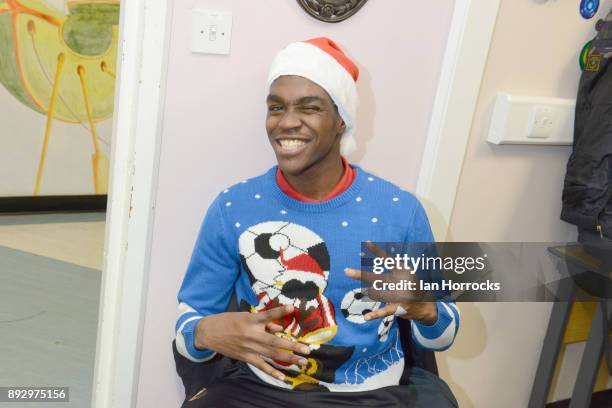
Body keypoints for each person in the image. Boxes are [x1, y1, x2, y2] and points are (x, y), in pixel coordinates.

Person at [175, 37, 460, 408]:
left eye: (309, 108)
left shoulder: (399, 210)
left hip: (377, 394)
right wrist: (205, 332)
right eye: (276, 108)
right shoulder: (232, 208)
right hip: (261, 387)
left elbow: (445, 331)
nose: (287, 123)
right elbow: (188, 323)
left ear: (341, 119)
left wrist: (426, 309)